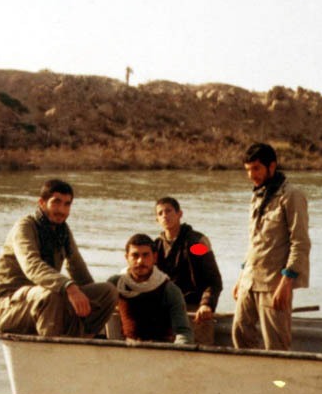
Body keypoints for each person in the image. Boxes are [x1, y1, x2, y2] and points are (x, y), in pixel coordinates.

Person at [0, 179, 118, 337]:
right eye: (56, 202)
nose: (61, 210)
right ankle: (52, 347)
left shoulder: (63, 232)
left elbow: (79, 272)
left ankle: (84, 338)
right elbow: (32, 266)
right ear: (42, 203)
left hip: (44, 301)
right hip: (7, 307)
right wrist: (69, 287)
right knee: (51, 294)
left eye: (67, 204)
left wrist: (98, 302)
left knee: (108, 292)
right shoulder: (25, 227)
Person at [232, 143, 311, 350]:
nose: (251, 175)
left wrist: (287, 281)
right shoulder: (257, 195)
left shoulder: (291, 195)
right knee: (240, 334)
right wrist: (241, 277)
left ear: (272, 166)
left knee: (275, 344)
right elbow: (255, 241)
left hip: (274, 283)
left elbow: (300, 242)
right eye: (248, 169)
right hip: (250, 280)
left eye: (256, 168)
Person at [153, 197, 223, 345]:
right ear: (157, 219)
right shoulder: (155, 246)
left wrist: (206, 304)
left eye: (168, 211)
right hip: (166, 307)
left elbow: (213, 280)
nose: (165, 216)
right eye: (160, 213)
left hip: (194, 307)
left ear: (179, 214)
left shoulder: (195, 243)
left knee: (200, 349)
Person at [108, 234, 194, 344]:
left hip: (161, 348)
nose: (140, 261)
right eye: (135, 255)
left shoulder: (169, 290)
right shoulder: (116, 284)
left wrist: (179, 349)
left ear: (155, 257)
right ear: (127, 258)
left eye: (146, 255)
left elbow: (183, 331)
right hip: (127, 347)